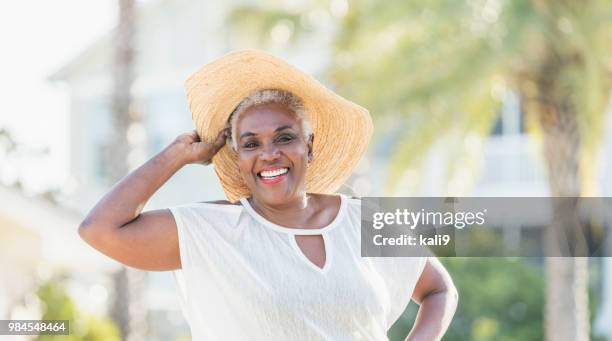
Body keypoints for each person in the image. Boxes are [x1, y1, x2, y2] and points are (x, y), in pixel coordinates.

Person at [79, 50, 458, 340]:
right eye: (250, 143)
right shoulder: (213, 232)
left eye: (284, 137)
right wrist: (177, 154)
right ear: (238, 158)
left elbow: (439, 290)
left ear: (309, 146)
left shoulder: (364, 221)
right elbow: (100, 229)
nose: (269, 153)